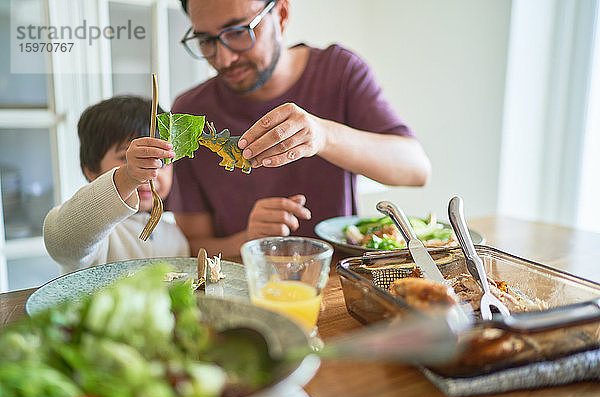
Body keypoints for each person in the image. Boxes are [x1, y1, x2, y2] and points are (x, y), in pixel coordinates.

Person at [168, 0, 431, 257]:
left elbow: (416, 169)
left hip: (340, 282)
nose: (224, 59)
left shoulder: (339, 73)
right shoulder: (190, 112)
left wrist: (323, 135)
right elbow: (191, 246)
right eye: (205, 41)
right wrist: (247, 240)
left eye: (238, 32)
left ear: (281, 14)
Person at [44, 96, 190, 274]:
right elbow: (60, 241)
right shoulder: (97, 236)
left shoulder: (175, 238)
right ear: (91, 169)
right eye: (126, 158)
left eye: (162, 161)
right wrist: (127, 177)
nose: (150, 172)